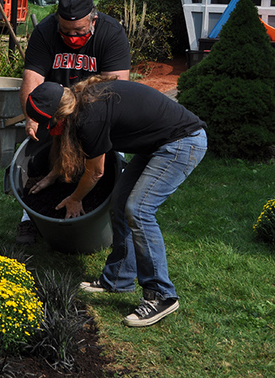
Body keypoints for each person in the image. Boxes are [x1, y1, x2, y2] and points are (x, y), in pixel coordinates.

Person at [25, 77, 207, 327]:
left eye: (49, 123)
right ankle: (118, 278)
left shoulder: (90, 119)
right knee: (120, 202)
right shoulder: (79, 100)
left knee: (139, 210)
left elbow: (96, 172)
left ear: (61, 116)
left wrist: (75, 199)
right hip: (156, 143)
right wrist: (53, 175)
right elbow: (72, 149)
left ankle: (161, 295)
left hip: (182, 142)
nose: (49, 129)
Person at [15, 0, 131, 244]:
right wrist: (32, 116)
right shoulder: (45, 31)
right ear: (57, 20)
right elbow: (32, 78)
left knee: (110, 166)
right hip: (57, 109)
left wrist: (90, 126)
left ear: (93, 18)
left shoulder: (111, 33)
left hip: (98, 112)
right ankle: (29, 219)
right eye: (65, 31)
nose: (72, 36)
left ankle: (109, 220)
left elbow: (116, 86)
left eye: (79, 31)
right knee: (39, 160)